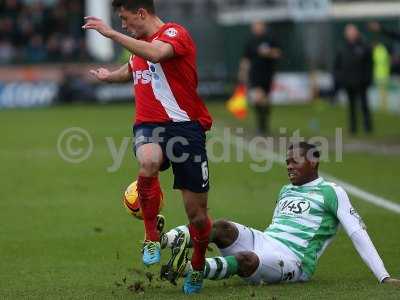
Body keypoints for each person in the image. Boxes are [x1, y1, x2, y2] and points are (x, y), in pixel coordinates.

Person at [82, 0, 213, 294]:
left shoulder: (174, 34)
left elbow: (155, 55)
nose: (124, 26)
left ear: (142, 13)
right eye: (120, 23)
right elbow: (130, 69)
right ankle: (151, 236)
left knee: (198, 215)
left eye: (126, 20)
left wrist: (111, 34)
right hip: (149, 125)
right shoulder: (137, 43)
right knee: (149, 162)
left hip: (186, 128)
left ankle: (198, 263)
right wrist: (108, 77)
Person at [160, 142, 400, 287]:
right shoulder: (286, 190)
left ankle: (188, 270)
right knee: (222, 227)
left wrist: (383, 276)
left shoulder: (332, 192)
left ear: (313, 162)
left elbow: (358, 233)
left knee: (247, 259)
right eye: (287, 162)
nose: (288, 166)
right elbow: (277, 226)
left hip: (294, 260)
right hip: (266, 241)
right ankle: (162, 240)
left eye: (295, 161)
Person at [238, 21, 281, 136]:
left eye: (258, 26)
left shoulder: (270, 39)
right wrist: (242, 72)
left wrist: (268, 52)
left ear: (263, 27)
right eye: (254, 26)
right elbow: (245, 59)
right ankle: (261, 126)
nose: (256, 28)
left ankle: (264, 125)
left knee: (265, 100)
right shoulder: (250, 41)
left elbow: (278, 53)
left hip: (268, 74)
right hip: (255, 74)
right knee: (257, 98)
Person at [334, 24, 373, 135]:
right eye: (348, 32)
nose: (350, 34)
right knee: (351, 106)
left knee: (364, 105)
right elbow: (337, 65)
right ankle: (353, 128)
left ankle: (368, 127)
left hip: (361, 81)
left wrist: (368, 79)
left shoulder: (364, 46)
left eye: (352, 32)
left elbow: (369, 64)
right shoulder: (342, 47)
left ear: (357, 33)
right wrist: (339, 78)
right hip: (348, 81)